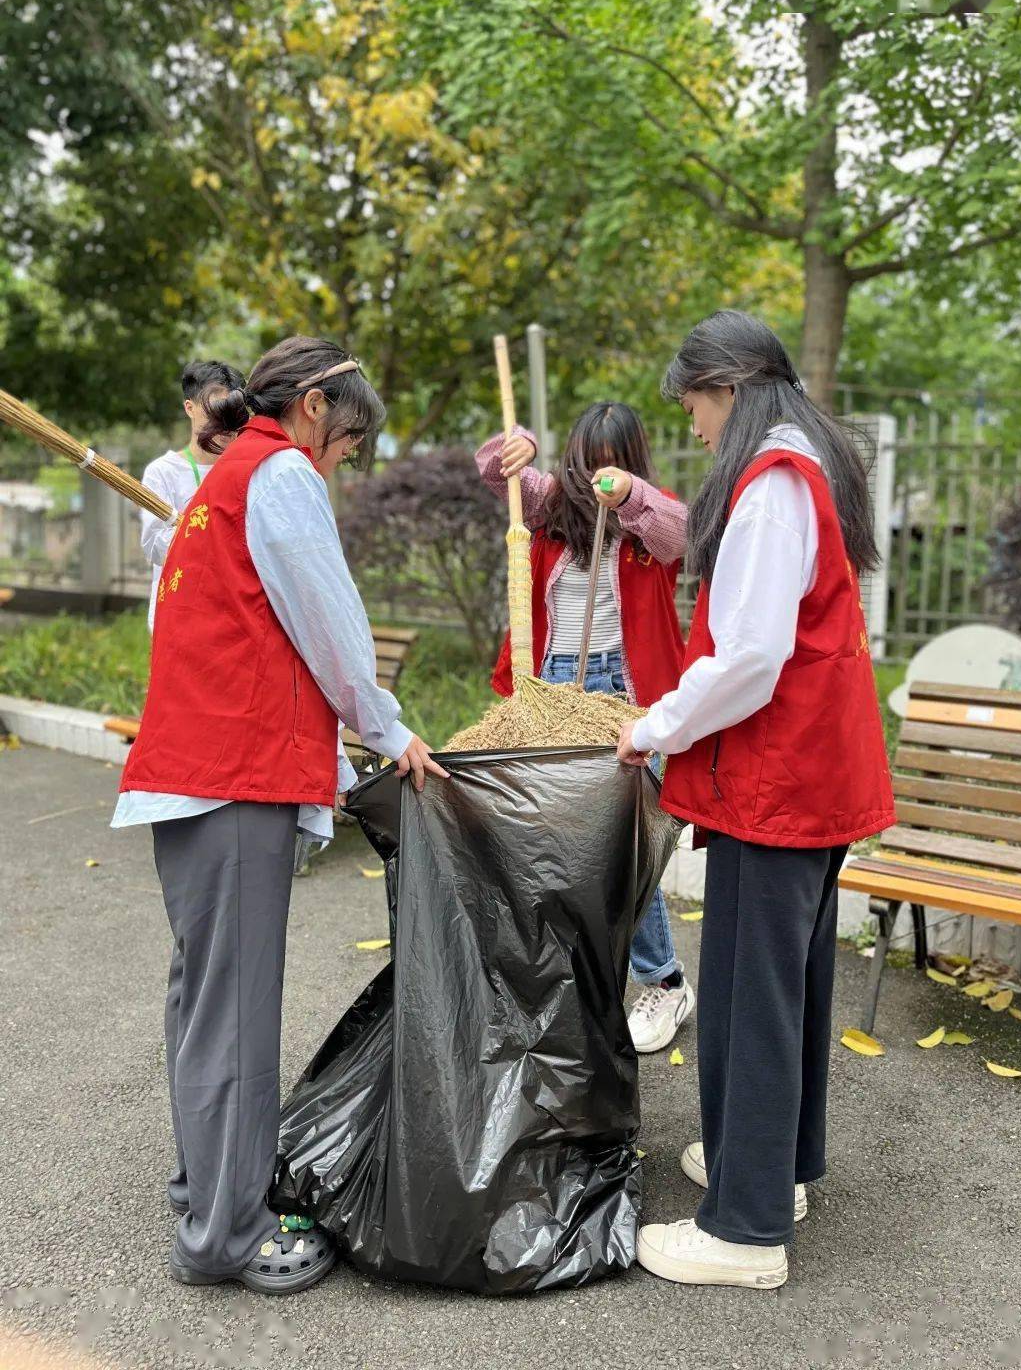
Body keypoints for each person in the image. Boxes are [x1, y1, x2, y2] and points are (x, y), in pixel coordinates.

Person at [112, 335, 448, 1295]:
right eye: (348, 440)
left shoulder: (225, 474)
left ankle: (204, 1187)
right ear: (311, 405)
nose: (345, 460)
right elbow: (331, 621)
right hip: (234, 778)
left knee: (203, 1002)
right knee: (236, 1015)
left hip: (191, 775)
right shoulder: (280, 475)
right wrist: (387, 729)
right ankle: (226, 1233)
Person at [617, 310, 895, 1289]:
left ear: (727, 389)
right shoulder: (805, 464)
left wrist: (653, 727)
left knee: (750, 995)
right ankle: (774, 1173)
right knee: (788, 985)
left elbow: (749, 653)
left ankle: (744, 1230)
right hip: (810, 772)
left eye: (692, 405)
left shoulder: (772, 482)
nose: (691, 427)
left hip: (776, 778)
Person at [476, 401, 694, 1053]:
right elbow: (496, 471)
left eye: (615, 461)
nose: (599, 473)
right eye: (586, 460)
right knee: (559, 843)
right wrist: (514, 443)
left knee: (623, 848)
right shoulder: (548, 509)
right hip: (552, 686)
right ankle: (575, 978)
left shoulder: (650, 520)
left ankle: (665, 980)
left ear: (633, 461)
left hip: (626, 698)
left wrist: (629, 495)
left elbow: (681, 533)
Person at [139, 359, 246, 630]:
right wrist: (203, 529)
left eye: (231, 411)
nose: (224, 424)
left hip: (231, 622)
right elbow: (153, 546)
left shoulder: (247, 470)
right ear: (190, 408)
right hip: (177, 621)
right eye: (214, 410)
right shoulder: (163, 472)